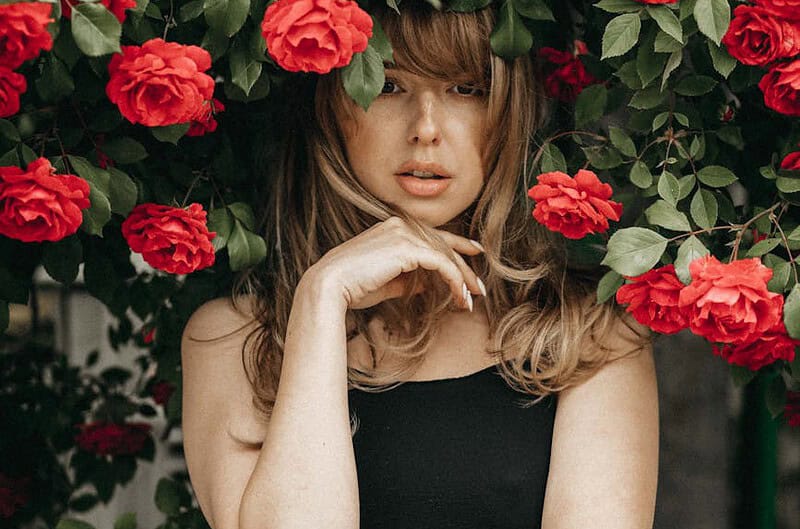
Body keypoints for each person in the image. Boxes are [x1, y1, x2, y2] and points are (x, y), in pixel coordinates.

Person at [181, 2, 659, 528]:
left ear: (510, 109)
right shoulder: (234, 339)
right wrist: (322, 298)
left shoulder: (588, 332)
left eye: (466, 88)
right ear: (329, 107)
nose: (426, 129)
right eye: (388, 85)